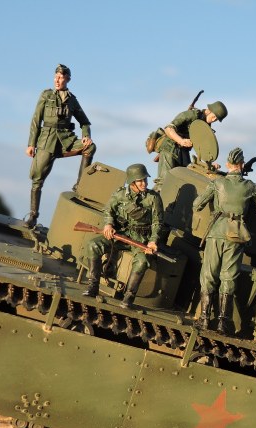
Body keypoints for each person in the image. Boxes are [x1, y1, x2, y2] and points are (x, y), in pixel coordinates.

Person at [193, 147, 256, 334]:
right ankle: (223, 323)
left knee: (208, 275)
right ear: (241, 165)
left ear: (227, 164)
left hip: (216, 233)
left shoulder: (217, 183)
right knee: (229, 277)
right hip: (235, 235)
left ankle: (204, 318)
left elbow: (197, 204)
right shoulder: (252, 187)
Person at [82, 163, 163, 309]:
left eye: (145, 179)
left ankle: (128, 297)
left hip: (141, 239)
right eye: (140, 181)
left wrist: (153, 241)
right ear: (132, 182)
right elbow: (108, 210)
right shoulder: (120, 194)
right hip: (120, 235)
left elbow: (157, 222)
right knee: (93, 245)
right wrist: (108, 224)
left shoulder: (153, 198)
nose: (144, 183)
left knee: (142, 261)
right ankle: (93, 286)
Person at [24, 64, 96, 228]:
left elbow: (85, 122)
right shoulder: (46, 95)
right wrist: (31, 144)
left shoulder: (72, 100)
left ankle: (80, 185)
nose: (57, 80)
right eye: (55, 77)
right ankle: (33, 215)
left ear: (67, 79)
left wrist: (86, 136)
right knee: (37, 179)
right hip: (46, 141)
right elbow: (36, 120)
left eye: (61, 77)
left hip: (66, 141)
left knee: (90, 147)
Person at [154, 101, 228, 190]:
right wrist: (181, 141)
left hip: (184, 153)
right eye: (214, 116)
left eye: (216, 119)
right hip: (170, 149)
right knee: (164, 182)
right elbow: (168, 129)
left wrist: (209, 165)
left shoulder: (205, 126)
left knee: (184, 182)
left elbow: (201, 149)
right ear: (209, 111)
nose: (214, 120)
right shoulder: (191, 115)